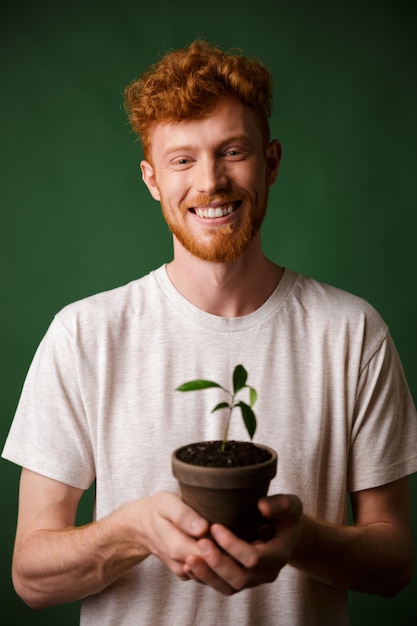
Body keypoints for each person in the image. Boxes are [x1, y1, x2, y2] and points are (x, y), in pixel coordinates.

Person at [2, 40, 417, 626]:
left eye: (233, 151)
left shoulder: (352, 333)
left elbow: (395, 561)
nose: (211, 181)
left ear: (270, 162)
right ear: (151, 179)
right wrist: (132, 530)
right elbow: (30, 577)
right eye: (182, 160)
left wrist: (301, 540)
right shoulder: (85, 335)